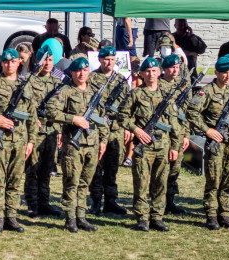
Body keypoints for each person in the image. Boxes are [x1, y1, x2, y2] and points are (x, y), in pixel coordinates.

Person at [120, 57, 183, 232]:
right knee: (141, 182)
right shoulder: (136, 94)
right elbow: (122, 116)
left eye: (154, 71)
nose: (151, 74)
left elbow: (174, 122)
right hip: (143, 146)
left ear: (159, 72)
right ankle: (141, 217)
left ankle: (157, 217)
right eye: (147, 71)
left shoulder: (167, 94)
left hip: (163, 145)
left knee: (160, 182)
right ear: (141, 73)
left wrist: (175, 146)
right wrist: (136, 130)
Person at [48, 57, 106, 233]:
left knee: (85, 182)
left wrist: (103, 140)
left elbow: (103, 119)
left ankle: (81, 216)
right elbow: (51, 110)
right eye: (78, 71)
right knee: (71, 181)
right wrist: (73, 119)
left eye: (85, 70)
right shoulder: (65, 91)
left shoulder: (95, 92)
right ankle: (70, 218)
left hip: (92, 144)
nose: (82, 74)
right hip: (73, 144)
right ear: (72, 72)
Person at [191, 55, 229, 231]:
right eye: (224, 72)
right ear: (217, 72)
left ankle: (225, 214)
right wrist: (207, 130)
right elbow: (192, 112)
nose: (228, 75)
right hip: (216, 144)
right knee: (214, 180)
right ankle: (212, 215)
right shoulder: (207, 91)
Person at [0, 48, 36, 233]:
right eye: (5, 62)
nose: (9, 65)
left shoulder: (25, 84)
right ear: (1, 63)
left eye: (12, 61)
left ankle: (12, 217)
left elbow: (31, 114)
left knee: (15, 180)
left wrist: (31, 140)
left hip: (20, 140)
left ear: (18, 63)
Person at [24, 41, 67, 218]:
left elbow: (62, 108)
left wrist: (61, 130)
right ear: (38, 59)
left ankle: (44, 203)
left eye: (50, 60)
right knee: (33, 169)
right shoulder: (29, 81)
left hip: (52, 132)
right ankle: (32, 204)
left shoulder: (58, 83)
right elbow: (25, 105)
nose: (47, 63)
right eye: (45, 59)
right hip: (36, 132)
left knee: (47, 169)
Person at [88, 45, 131, 216]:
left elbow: (127, 107)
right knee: (97, 167)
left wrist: (127, 127)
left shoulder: (121, 80)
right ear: (100, 59)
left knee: (113, 167)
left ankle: (111, 201)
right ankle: (96, 201)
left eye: (112, 60)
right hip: (98, 128)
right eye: (106, 59)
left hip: (116, 129)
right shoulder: (92, 79)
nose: (109, 62)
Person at [159, 53, 194, 216]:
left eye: (177, 67)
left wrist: (186, 134)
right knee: (161, 169)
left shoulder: (183, 85)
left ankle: (170, 201)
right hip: (163, 134)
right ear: (164, 69)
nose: (175, 71)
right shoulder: (157, 85)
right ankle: (158, 201)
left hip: (179, 134)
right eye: (172, 67)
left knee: (175, 168)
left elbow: (186, 112)